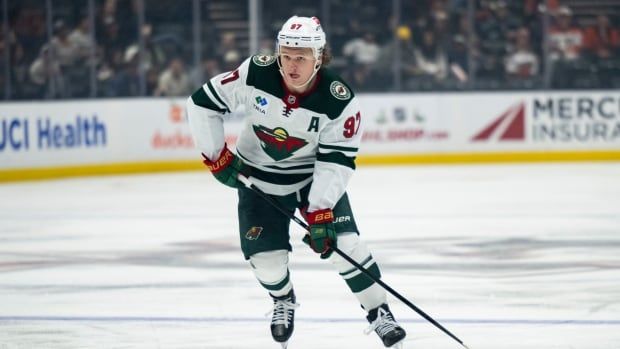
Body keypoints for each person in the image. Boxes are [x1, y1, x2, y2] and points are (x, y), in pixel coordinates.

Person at [186, 15, 407, 348]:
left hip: (310, 179)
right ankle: (283, 299)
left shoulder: (339, 100)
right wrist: (217, 156)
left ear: (318, 58)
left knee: (345, 246)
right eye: (286, 55)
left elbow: (337, 160)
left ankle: (379, 312)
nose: (292, 64)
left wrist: (319, 212)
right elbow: (201, 104)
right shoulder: (257, 72)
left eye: (301, 57)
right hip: (256, 181)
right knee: (266, 262)